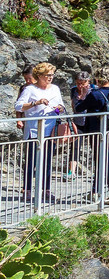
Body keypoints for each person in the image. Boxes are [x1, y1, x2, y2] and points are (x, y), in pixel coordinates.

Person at [15, 63, 63, 201]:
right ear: (40, 76)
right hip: (34, 130)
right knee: (31, 161)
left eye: (52, 75)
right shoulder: (30, 89)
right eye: (48, 75)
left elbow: (61, 105)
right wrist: (35, 103)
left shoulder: (55, 88)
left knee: (47, 161)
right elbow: (18, 105)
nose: (50, 78)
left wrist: (58, 107)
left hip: (50, 129)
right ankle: (28, 190)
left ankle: (45, 190)